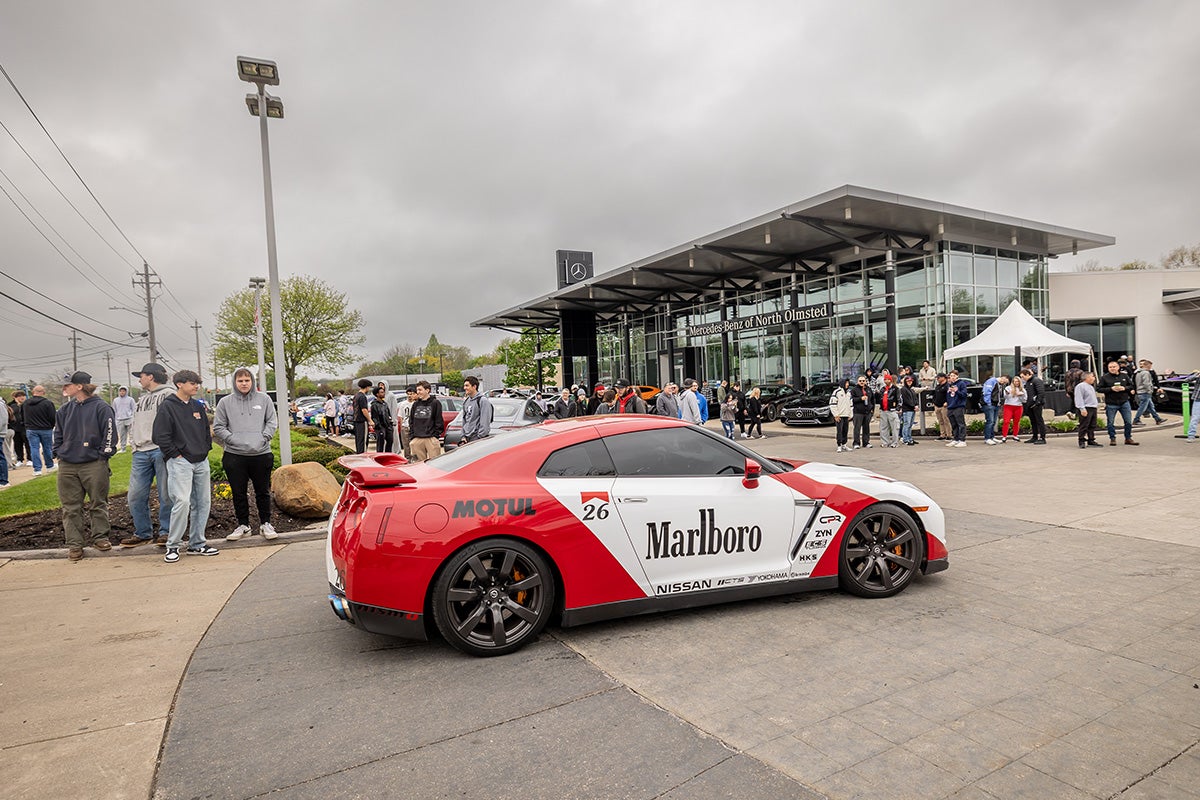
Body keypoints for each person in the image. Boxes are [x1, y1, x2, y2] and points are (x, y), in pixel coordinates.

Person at [153, 369, 218, 563]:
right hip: (180, 462)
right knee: (182, 502)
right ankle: (173, 546)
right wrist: (176, 454)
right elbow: (160, 436)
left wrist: (205, 449)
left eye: (197, 383)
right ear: (180, 384)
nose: (196, 386)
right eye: (192, 383)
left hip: (201, 461)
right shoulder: (168, 406)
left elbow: (206, 431)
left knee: (203, 503)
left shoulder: (197, 406)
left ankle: (197, 544)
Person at [54, 371, 117, 561]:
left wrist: (103, 454)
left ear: (79, 386)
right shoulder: (64, 410)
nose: (64, 388)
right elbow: (58, 433)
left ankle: (100, 537)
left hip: (93, 464)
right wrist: (57, 451)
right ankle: (75, 544)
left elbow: (110, 433)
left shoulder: (101, 407)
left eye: (67, 385)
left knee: (98, 503)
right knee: (70, 507)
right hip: (67, 465)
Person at [213, 367, 279, 541]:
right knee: (238, 492)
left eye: (247, 380)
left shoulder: (264, 399)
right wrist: (233, 440)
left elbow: (272, 422)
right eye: (240, 380)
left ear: (252, 381)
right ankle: (243, 525)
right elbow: (219, 426)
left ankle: (266, 523)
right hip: (234, 455)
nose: (244, 383)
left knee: (262, 492)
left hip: (261, 454)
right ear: (235, 382)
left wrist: (264, 438)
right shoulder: (225, 402)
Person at [122, 363, 175, 547]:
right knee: (135, 495)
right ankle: (143, 533)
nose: (140, 379)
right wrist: (134, 445)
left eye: (142, 375)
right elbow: (134, 424)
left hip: (161, 450)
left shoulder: (169, 395)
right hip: (141, 453)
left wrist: (168, 447)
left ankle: (167, 532)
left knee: (166, 494)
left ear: (151, 376)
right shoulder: (141, 400)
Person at [1096, 361, 1138, 446]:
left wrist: (1124, 388)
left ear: (1118, 367)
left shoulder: (1124, 376)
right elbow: (1099, 389)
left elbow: (1131, 386)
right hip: (1111, 403)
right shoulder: (1104, 378)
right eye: (1110, 367)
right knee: (1110, 422)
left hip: (1124, 402)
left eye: (1114, 367)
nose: (1112, 369)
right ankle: (1112, 438)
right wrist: (1111, 389)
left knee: (1128, 422)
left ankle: (1128, 438)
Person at [23, 384, 57, 475]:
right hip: (45, 428)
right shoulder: (48, 403)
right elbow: (52, 417)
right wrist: (51, 425)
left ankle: (37, 469)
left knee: (34, 448)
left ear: (33, 392)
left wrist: (26, 425)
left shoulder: (26, 403)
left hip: (31, 429)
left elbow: (22, 415)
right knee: (47, 448)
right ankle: (49, 465)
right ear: (43, 392)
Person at [408, 381, 444, 461]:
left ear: (427, 390)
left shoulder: (435, 403)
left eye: (420, 390)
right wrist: (412, 436)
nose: (418, 392)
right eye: (417, 390)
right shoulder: (415, 404)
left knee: (435, 463)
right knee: (417, 464)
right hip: (417, 438)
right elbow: (411, 421)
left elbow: (439, 420)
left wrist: (435, 435)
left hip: (431, 438)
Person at [459, 376, 493, 445]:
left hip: (477, 440)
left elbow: (485, 422)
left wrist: (479, 437)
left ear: (474, 386)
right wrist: (463, 436)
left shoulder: (482, 400)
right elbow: (464, 420)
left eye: (467, 385)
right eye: (464, 386)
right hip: (466, 439)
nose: (464, 388)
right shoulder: (466, 401)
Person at [1074, 372, 1103, 449]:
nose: (1094, 378)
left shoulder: (1090, 386)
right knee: (1084, 425)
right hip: (1086, 407)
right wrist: (1082, 409)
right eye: (1092, 376)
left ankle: (1091, 440)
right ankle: (1081, 440)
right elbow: (1079, 398)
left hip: (1093, 407)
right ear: (1087, 377)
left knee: (1092, 425)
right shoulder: (1080, 386)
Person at [1132, 359, 1165, 426]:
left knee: (1151, 407)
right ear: (1147, 365)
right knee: (1142, 407)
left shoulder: (1137, 372)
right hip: (1145, 392)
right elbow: (1146, 383)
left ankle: (1157, 419)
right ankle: (1136, 420)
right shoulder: (1146, 373)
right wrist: (1150, 391)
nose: (1150, 367)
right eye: (1150, 365)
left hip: (1140, 392)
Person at [1020, 368, 1048, 445]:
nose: (1022, 378)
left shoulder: (1036, 380)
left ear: (1028, 374)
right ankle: (1034, 436)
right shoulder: (1028, 382)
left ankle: (1042, 437)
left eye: (1023, 376)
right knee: (1033, 421)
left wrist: (1037, 402)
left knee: (1039, 421)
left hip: (1036, 405)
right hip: (1030, 405)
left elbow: (1041, 392)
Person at [944, 369, 970, 447]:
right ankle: (956, 439)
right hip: (950, 406)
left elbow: (964, 394)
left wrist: (957, 391)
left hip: (958, 406)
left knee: (960, 423)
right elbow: (948, 395)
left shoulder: (961, 384)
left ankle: (962, 440)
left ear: (957, 376)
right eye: (951, 376)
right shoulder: (949, 384)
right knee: (953, 424)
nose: (952, 377)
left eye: (954, 376)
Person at [981, 374, 1008, 445]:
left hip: (995, 404)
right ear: (1003, 378)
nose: (1004, 383)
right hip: (990, 404)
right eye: (1005, 381)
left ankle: (991, 437)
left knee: (993, 421)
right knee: (990, 421)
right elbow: (987, 392)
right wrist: (988, 403)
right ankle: (987, 438)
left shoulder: (998, 384)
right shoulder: (991, 381)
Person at [1000, 375, 1026, 442]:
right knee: (1006, 421)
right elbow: (1005, 397)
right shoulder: (1008, 388)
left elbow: (1024, 400)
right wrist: (1008, 394)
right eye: (1014, 381)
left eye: (1017, 381)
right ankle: (1004, 436)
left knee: (1016, 422)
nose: (1016, 383)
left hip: (1018, 406)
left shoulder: (1022, 389)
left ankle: (1015, 435)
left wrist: (1020, 395)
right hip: (1008, 406)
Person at [829, 378, 853, 453]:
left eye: (848, 383)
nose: (847, 384)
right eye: (846, 383)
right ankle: (839, 445)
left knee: (845, 430)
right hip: (839, 415)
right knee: (839, 431)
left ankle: (844, 444)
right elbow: (832, 404)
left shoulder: (849, 393)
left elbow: (851, 404)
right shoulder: (836, 392)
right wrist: (836, 415)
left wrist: (850, 414)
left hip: (846, 415)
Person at [850, 375, 874, 450]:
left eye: (863, 381)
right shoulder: (854, 390)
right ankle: (856, 443)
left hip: (867, 412)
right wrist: (860, 398)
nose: (862, 382)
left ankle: (866, 442)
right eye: (860, 381)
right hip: (858, 412)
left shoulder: (869, 389)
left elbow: (872, 399)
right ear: (858, 382)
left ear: (865, 381)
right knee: (857, 428)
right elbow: (852, 400)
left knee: (866, 428)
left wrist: (872, 409)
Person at [876, 373, 900, 447]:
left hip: (892, 410)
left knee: (894, 427)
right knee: (883, 427)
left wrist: (898, 408)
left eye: (888, 379)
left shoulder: (895, 389)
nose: (886, 381)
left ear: (891, 380)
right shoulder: (882, 389)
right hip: (883, 410)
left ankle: (895, 443)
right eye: (885, 379)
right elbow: (880, 399)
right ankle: (885, 442)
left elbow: (899, 399)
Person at [369, 386, 395, 453]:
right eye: (381, 392)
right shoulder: (374, 405)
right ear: (377, 394)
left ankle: (388, 456)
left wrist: (390, 424)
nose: (383, 394)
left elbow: (388, 414)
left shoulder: (385, 404)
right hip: (380, 427)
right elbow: (374, 417)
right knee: (380, 444)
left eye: (383, 392)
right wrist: (379, 427)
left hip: (388, 426)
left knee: (390, 441)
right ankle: (379, 457)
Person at [352, 379, 373, 454]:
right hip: (362, 421)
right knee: (363, 441)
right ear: (367, 387)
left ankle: (359, 454)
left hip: (356, 420)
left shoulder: (356, 396)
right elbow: (364, 410)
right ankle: (362, 456)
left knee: (358, 440)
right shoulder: (362, 397)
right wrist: (370, 420)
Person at [112, 386, 136, 452]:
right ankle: (123, 449)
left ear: (126, 392)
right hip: (119, 420)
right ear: (119, 392)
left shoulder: (130, 399)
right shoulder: (115, 400)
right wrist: (115, 419)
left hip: (129, 419)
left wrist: (133, 418)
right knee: (122, 435)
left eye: (123, 391)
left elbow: (134, 409)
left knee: (131, 434)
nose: (122, 392)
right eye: (121, 391)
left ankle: (133, 448)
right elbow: (114, 410)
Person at [8, 391, 28, 468]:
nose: (22, 397)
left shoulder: (27, 404)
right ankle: (20, 459)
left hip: (25, 427)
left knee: (28, 444)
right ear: (15, 398)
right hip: (16, 428)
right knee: (17, 445)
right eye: (19, 396)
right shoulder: (12, 406)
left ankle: (30, 459)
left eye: (23, 395)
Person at [899, 375, 920, 446]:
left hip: (912, 409)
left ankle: (909, 438)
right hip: (907, 409)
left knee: (910, 425)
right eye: (908, 381)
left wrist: (916, 405)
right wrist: (914, 406)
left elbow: (915, 399)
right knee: (906, 424)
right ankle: (905, 439)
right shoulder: (903, 389)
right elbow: (906, 400)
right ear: (905, 381)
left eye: (910, 381)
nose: (909, 382)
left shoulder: (911, 389)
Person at [398, 385, 416, 459]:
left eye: (411, 394)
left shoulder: (416, 404)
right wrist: (402, 426)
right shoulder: (403, 404)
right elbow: (401, 416)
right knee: (406, 444)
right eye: (408, 394)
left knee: (414, 443)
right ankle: (407, 458)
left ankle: (415, 457)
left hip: (414, 427)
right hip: (405, 426)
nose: (409, 395)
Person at [932, 374, 950, 441]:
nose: (937, 379)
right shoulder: (938, 386)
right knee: (940, 421)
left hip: (944, 406)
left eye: (939, 378)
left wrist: (947, 402)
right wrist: (934, 402)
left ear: (943, 378)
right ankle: (942, 435)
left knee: (946, 420)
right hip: (937, 405)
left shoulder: (947, 386)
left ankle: (949, 435)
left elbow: (949, 395)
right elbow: (934, 394)